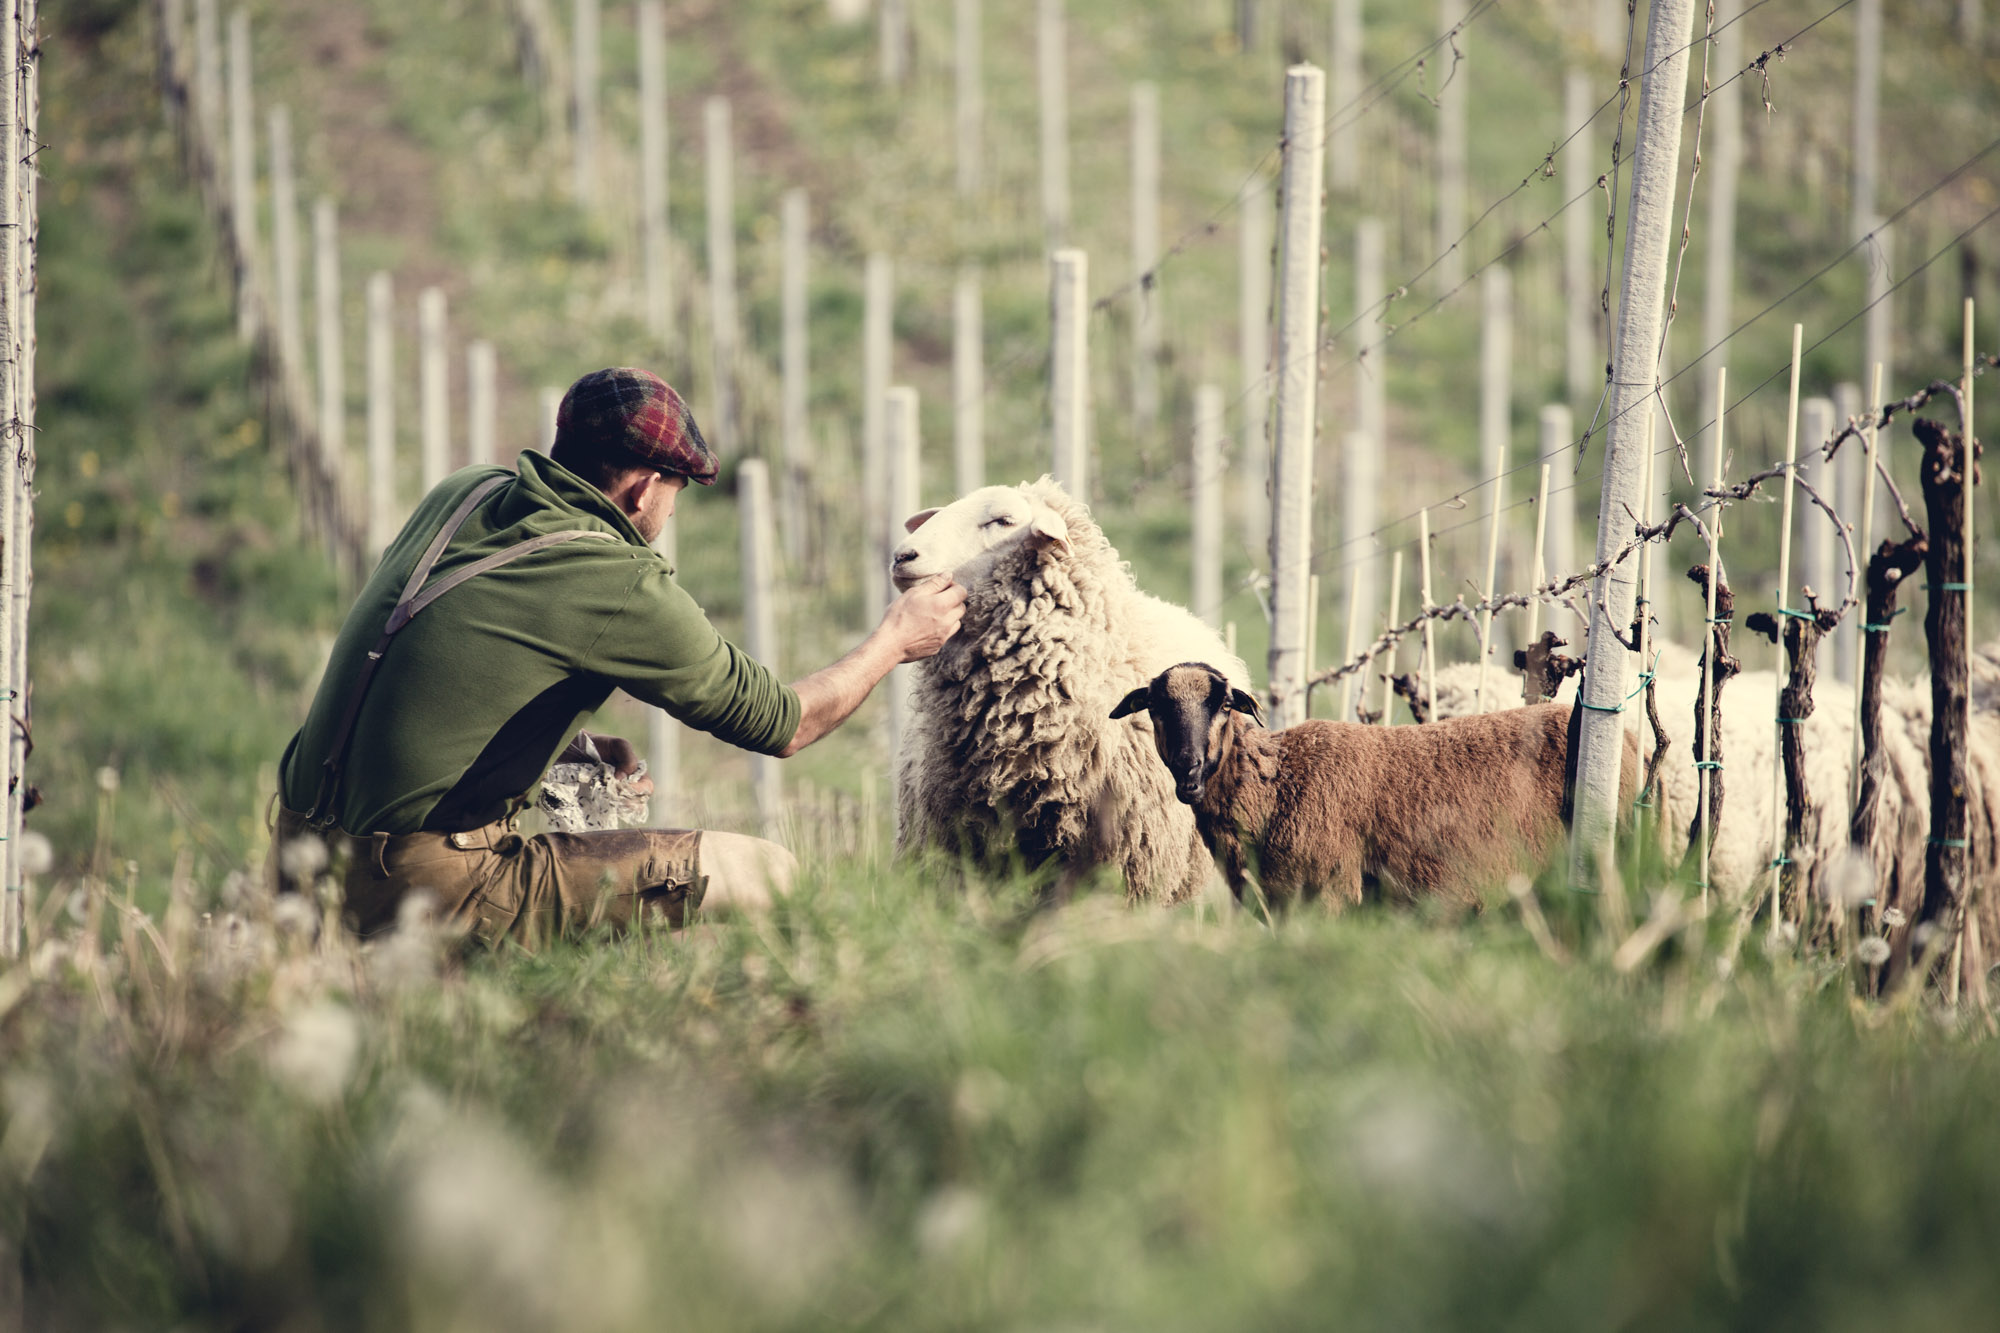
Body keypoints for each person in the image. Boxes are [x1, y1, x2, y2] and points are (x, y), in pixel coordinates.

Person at [272, 367, 965, 945]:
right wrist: (896, 639)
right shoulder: (616, 580)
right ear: (643, 487)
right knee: (770, 874)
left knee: (597, 815)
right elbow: (783, 724)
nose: (672, 511)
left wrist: (557, 747)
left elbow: (425, 664)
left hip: (300, 861)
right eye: (676, 492)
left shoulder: (465, 494)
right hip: (420, 890)